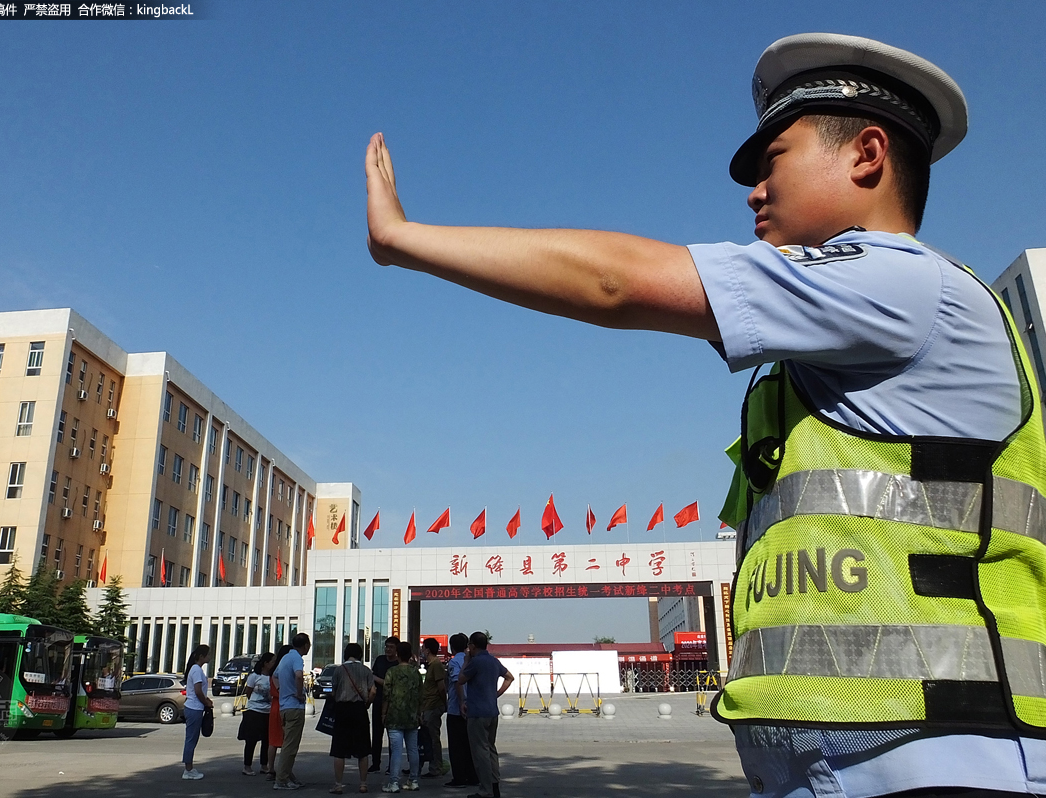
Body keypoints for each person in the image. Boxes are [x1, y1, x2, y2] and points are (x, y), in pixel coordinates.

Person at [364, 30, 1046, 798]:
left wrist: (403, 240)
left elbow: (618, 284)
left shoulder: (907, 286)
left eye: (773, 161)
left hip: (941, 754)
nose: (754, 190)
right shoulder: (825, 356)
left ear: (867, 153)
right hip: (847, 758)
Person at [456, 633, 512, 798]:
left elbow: (460, 679)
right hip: (492, 711)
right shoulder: (493, 661)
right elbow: (509, 677)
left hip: (477, 713)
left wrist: (466, 661)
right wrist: (495, 694)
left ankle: (485, 789)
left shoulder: (475, 662)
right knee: (491, 749)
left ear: (473, 646)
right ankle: (495, 785)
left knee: (480, 752)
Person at [330, 642, 376, 794]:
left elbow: (333, 691)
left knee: (339, 749)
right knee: (362, 750)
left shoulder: (339, 670)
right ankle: (363, 784)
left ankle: (338, 784)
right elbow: (373, 691)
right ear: (360, 655)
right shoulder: (366, 670)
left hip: (342, 710)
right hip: (359, 709)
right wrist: (367, 704)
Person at [381, 641, 422, 793]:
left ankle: (394, 783)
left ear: (397, 654)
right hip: (412, 716)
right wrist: (419, 713)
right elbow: (420, 695)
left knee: (396, 750)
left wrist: (383, 713)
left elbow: (386, 695)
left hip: (395, 716)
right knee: (413, 750)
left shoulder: (392, 672)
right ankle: (414, 780)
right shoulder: (415, 672)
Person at [274, 633, 311, 791]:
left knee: (287, 744)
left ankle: (288, 776)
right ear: (305, 645)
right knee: (290, 746)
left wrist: (282, 690)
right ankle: (281, 779)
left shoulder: (285, 658)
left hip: (284, 706)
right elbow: (298, 675)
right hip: (294, 706)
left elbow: (274, 677)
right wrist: (298, 693)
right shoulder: (296, 658)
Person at [443, 633, 477, 790]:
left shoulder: (455, 662)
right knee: (470, 744)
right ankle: (473, 775)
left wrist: (461, 701)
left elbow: (457, 682)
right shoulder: (472, 660)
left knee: (456, 746)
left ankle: (459, 777)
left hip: (456, 709)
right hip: (473, 708)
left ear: (451, 646)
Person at [238, 652, 276, 777]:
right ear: (265, 663)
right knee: (251, 740)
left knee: (267, 740)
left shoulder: (273, 677)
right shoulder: (254, 676)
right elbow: (248, 692)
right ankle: (246, 766)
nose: (274, 664)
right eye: (272, 662)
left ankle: (264, 765)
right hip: (254, 711)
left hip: (268, 712)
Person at [180, 644, 214, 781]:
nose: (210, 657)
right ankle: (188, 769)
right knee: (191, 739)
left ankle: (189, 767)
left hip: (194, 707)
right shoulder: (196, 670)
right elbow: (198, 691)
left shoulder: (196, 669)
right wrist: (206, 702)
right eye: (208, 654)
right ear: (201, 656)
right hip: (194, 708)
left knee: (192, 738)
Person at [369, 636, 400, 775]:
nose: (388, 649)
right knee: (376, 735)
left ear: (397, 649)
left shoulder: (398, 664)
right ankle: (375, 764)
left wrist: (376, 678)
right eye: (387, 646)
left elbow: (390, 684)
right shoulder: (380, 660)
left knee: (392, 736)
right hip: (378, 702)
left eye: (391, 647)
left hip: (393, 704)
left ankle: (391, 766)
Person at [418, 638, 447, 778]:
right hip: (428, 705)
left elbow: (441, 687)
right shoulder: (431, 665)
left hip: (433, 705)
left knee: (433, 738)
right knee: (428, 737)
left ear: (428, 650)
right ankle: (428, 764)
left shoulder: (436, 665)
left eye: (423, 648)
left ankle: (436, 767)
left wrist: (444, 703)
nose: (422, 651)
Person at [268, 645, 291, 783]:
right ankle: (285, 769)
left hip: (274, 706)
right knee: (286, 741)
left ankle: (270, 769)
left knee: (273, 740)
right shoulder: (285, 671)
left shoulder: (273, 672)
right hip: (284, 705)